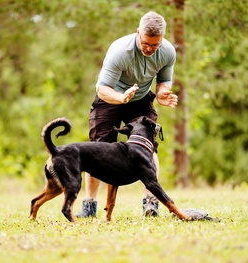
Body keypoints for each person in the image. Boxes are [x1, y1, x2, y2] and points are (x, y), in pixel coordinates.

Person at [76, 11, 178, 218]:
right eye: (145, 43)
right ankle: (89, 207)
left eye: (154, 45)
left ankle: (150, 202)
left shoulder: (167, 52)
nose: (149, 49)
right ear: (138, 32)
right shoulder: (120, 51)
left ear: (162, 39)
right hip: (110, 98)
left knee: (150, 148)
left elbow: (163, 82)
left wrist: (161, 95)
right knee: (96, 149)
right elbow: (102, 89)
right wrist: (121, 98)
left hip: (140, 99)